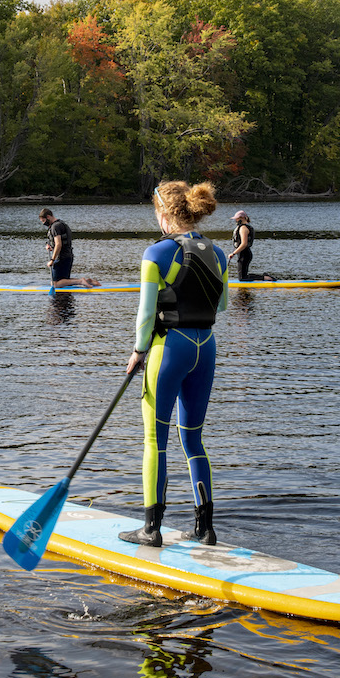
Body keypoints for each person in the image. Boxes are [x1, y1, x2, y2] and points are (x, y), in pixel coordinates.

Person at [120, 180, 230, 548]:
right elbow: (224, 306)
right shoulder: (217, 253)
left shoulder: (156, 253)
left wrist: (138, 351)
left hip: (170, 349)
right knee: (194, 440)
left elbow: (146, 314)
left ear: (164, 214)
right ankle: (205, 528)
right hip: (206, 348)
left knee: (156, 439)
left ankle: (151, 529)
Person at [38, 208, 100, 287]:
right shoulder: (61, 223)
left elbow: (58, 244)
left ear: (48, 217)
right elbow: (59, 243)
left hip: (61, 258)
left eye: (43, 221)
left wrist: (52, 260)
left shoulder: (55, 227)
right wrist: (51, 246)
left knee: (55, 283)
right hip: (68, 256)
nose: (44, 223)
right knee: (64, 280)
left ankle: (80, 281)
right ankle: (89, 281)